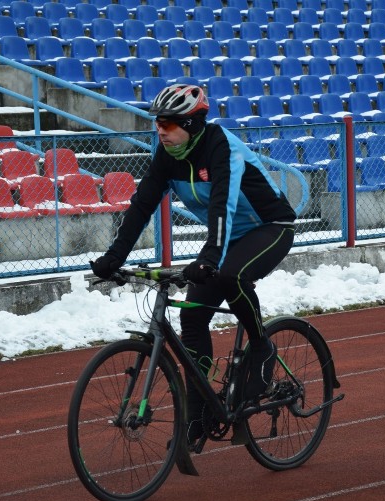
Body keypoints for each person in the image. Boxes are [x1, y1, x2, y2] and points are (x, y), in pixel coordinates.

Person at [91, 84, 296, 444]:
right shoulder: (168, 154)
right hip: (230, 236)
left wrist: (209, 257)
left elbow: (223, 205)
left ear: (191, 122)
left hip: (271, 227)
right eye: (158, 124)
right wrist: (113, 258)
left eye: (168, 124)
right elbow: (142, 206)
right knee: (192, 316)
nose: (160, 130)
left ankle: (262, 346)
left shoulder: (221, 146)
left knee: (232, 275)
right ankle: (199, 415)